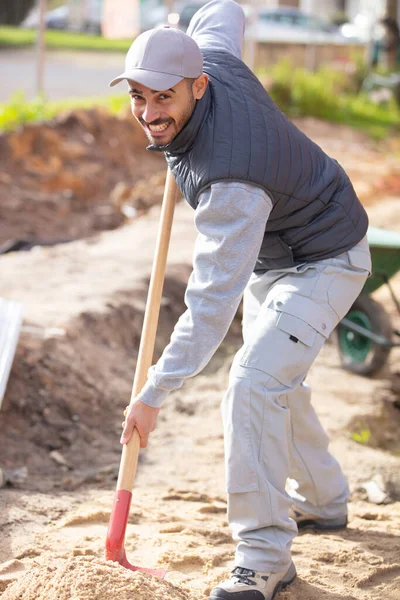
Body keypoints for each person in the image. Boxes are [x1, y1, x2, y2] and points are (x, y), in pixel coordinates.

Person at [110, 2, 371, 598]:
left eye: (165, 99)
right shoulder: (213, 53)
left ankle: (263, 553)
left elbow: (210, 305)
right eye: (138, 97)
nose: (149, 114)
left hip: (327, 255)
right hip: (277, 255)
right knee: (281, 380)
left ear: (199, 86)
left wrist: (154, 392)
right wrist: (179, 21)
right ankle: (326, 502)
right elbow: (224, 10)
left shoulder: (232, 181)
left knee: (253, 381)